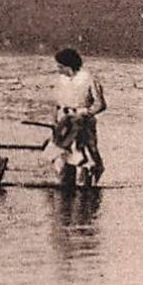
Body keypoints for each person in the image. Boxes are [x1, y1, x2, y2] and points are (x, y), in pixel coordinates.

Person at [53, 48, 105, 186]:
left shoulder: (88, 79)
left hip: (83, 121)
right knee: (62, 153)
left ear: (69, 66)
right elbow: (58, 103)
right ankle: (66, 186)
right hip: (64, 122)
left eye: (60, 66)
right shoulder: (61, 80)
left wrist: (86, 113)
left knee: (86, 152)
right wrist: (56, 120)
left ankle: (89, 185)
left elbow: (100, 104)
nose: (58, 69)